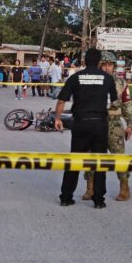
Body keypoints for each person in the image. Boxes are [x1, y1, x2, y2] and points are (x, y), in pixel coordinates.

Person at [54, 48, 118, 209]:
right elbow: (114, 102)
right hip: (99, 124)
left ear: (84, 61)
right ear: (99, 62)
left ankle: (66, 197)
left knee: (74, 161)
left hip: (80, 124)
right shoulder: (107, 78)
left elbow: (62, 100)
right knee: (99, 163)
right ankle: (98, 200)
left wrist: (57, 119)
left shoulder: (76, 77)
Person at [82, 51, 132, 202]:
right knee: (91, 156)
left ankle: (124, 187)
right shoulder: (89, 81)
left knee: (119, 157)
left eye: (109, 65)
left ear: (114, 66)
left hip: (114, 123)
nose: (106, 68)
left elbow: (127, 105)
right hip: (94, 122)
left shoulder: (121, 83)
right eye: (103, 64)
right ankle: (90, 188)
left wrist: (130, 124)